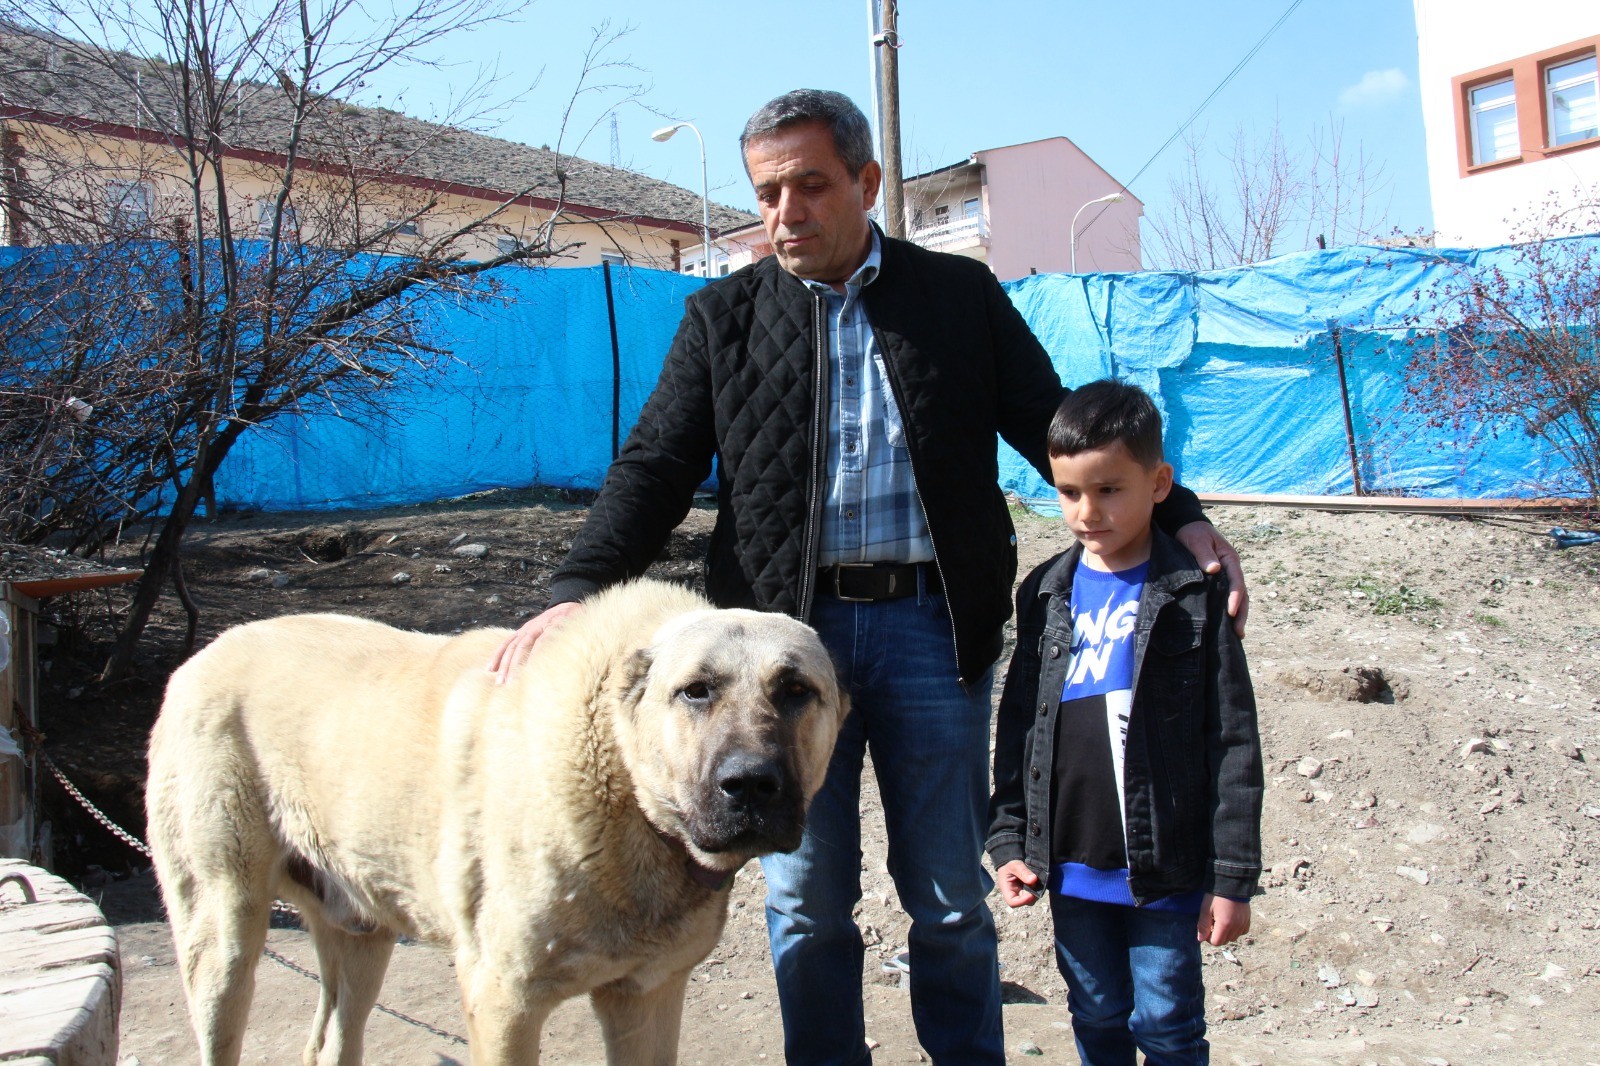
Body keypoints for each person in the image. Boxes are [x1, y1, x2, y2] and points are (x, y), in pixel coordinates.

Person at [490, 90, 1249, 1064]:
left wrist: (1178, 515)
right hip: (782, 659)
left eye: (809, 184)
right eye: (767, 192)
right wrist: (572, 590)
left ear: (865, 182)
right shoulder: (722, 318)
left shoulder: (956, 298)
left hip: (932, 633)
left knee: (945, 895)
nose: (785, 212)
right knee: (805, 901)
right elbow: (653, 467)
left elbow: (1056, 420)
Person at [986, 379, 1263, 1065]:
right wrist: (1009, 837)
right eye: (1069, 491)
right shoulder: (1046, 591)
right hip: (1072, 869)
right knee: (1097, 1012)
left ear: (1159, 483)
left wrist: (1230, 877)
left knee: (1167, 1024)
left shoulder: (1194, 595)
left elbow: (1233, 742)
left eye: (1110, 490)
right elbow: (1021, 726)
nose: (1087, 512)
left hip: (1167, 870)